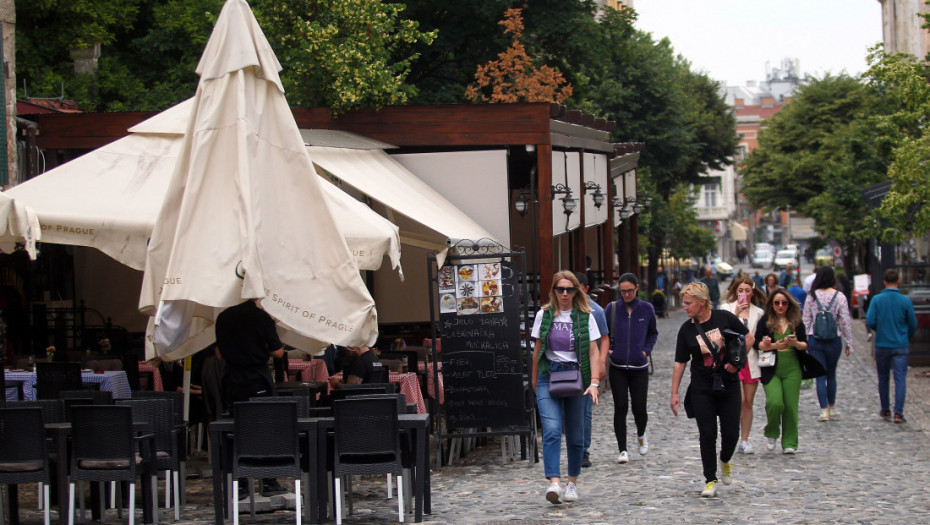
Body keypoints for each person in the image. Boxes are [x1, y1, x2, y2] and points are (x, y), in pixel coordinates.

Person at [670, 282, 753, 498]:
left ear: (702, 302)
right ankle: (710, 479)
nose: (685, 307)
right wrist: (674, 393)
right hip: (702, 387)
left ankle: (725, 459)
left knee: (731, 434)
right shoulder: (686, 329)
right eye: (684, 303)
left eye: (688, 303)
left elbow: (749, 337)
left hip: (729, 384)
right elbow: (680, 362)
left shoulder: (724, 318)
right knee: (707, 434)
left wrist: (738, 361)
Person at [532, 271, 601, 504]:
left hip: (577, 377)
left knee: (575, 433)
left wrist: (594, 382)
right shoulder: (544, 315)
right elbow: (537, 351)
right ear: (553, 291)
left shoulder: (585, 316)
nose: (564, 294)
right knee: (551, 429)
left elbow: (594, 351)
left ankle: (572, 483)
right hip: (548, 375)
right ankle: (554, 482)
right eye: (560, 289)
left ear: (576, 292)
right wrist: (535, 383)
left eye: (569, 289)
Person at [215, 298, 287, 497]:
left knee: (236, 429)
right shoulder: (261, 317)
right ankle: (268, 480)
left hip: (232, 380)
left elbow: (219, 353)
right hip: (257, 379)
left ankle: (239, 483)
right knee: (264, 430)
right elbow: (279, 352)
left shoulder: (223, 317)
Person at [604, 273, 658, 464]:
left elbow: (653, 333)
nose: (626, 295)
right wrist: (610, 349)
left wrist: (645, 351)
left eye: (629, 291)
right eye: (623, 291)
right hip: (618, 366)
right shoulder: (611, 309)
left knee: (639, 407)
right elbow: (604, 333)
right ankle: (622, 449)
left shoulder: (646, 309)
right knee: (620, 406)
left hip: (639, 366)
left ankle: (641, 433)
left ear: (636, 289)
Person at [755, 289, 808, 453]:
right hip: (772, 368)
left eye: (784, 303)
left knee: (791, 407)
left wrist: (795, 343)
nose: (780, 306)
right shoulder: (766, 320)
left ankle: (790, 443)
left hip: (792, 368)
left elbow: (805, 345)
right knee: (774, 403)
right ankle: (772, 431)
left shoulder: (796, 321)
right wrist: (770, 344)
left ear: (789, 304)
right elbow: (758, 345)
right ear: (771, 304)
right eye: (777, 302)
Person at [719, 277, 765, 454]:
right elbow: (722, 331)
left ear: (752, 292)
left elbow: (757, 337)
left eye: (747, 290)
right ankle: (732, 435)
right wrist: (736, 313)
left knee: (747, 401)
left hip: (750, 360)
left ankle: (745, 439)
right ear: (735, 291)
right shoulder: (726, 309)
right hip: (731, 359)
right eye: (740, 290)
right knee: (735, 401)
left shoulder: (758, 313)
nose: (744, 294)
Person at [802, 266, 854, 422]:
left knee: (820, 376)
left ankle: (823, 410)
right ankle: (832, 406)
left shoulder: (811, 297)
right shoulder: (839, 297)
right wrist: (849, 342)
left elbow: (806, 320)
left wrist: (804, 341)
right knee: (831, 375)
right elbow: (845, 321)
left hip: (815, 340)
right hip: (834, 340)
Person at [865, 269, 917, 423]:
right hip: (900, 344)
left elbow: (870, 320)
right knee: (900, 378)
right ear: (899, 281)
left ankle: (885, 409)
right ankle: (898, 413)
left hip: (882, 344)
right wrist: (906, 336)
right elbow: (913, 323)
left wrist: (879, 330)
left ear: (884, 282)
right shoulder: (905, 301)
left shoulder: (877, 300)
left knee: (883, 378)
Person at [574, 272, 609, 468]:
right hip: (568, 366)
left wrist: (601, 362)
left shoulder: (595, 311)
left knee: (585, 410)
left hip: (587, 366)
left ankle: (583, 450)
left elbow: (604, 338)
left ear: (585, 289)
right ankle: (576, 447)